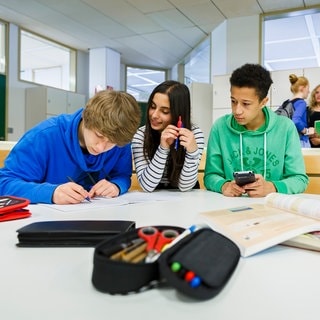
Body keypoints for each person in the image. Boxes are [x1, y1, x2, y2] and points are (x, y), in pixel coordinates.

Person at [0, 90, 141, 204]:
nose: (101, 147)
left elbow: (122, 175)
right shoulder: (43, 136)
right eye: (98, 135)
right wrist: (52, 193)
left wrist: (116, 185)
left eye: (111, 143)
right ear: (86, 118)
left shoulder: (120, 139)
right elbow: (4, 183)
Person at [204, 63, 308, 198]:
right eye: (233, 101)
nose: (237, 110)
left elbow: (299, 179)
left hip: (272, 208)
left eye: (246, 104)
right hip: (230, 208)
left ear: (263, 102)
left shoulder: (286, 128)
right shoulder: (220, 127)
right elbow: (211, 175)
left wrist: (272, 187)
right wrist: (224, 185)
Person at [132, 80, 204, 192]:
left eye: (164, 111)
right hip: (154, 200)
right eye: (152, 106)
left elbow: (185, 187)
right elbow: (147, 186)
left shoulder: (194, 134)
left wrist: (192, 153)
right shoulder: (141, 135)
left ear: (179, 113)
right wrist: (163, 148)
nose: (154, 115)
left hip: (185, 200)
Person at [289, 73, 314, 147]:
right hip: (301, 141)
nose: (309, 91)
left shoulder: (288, 103)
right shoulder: (301, 103)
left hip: (291, 141)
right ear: (302, 88)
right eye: (308, 88)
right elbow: (296, 120)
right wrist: (307, 131)